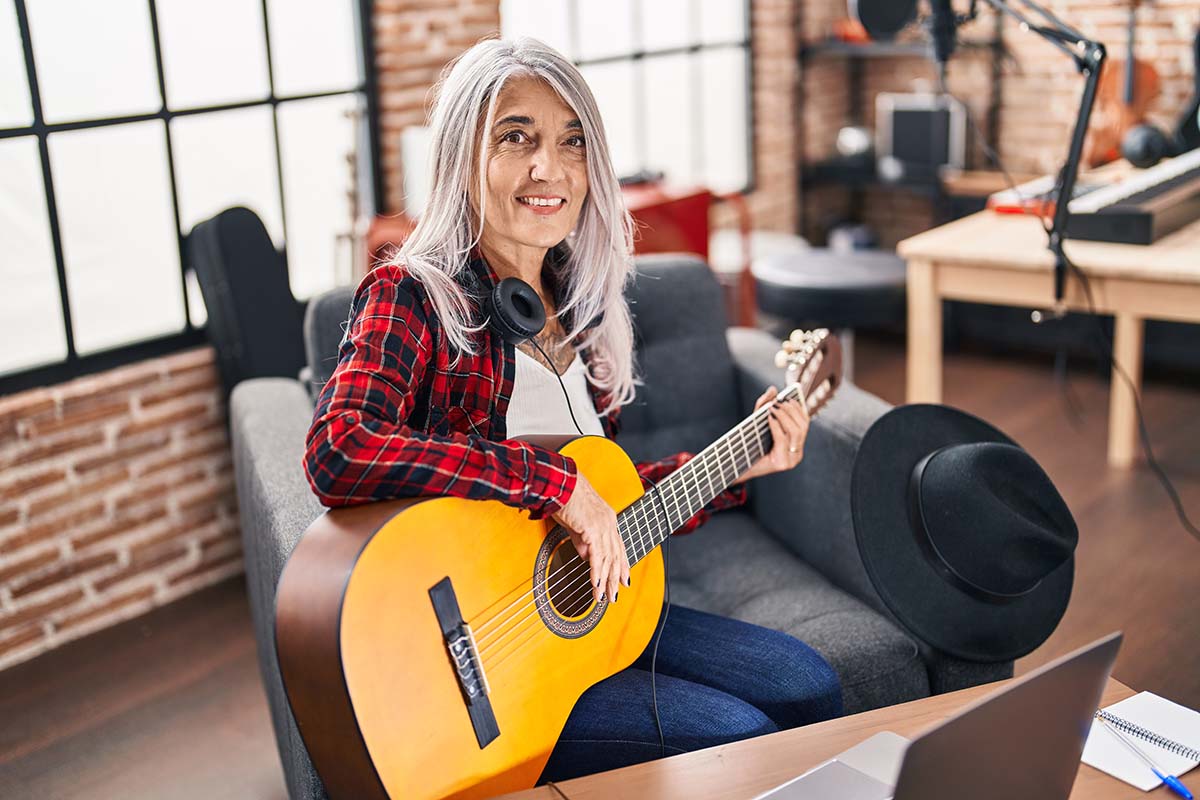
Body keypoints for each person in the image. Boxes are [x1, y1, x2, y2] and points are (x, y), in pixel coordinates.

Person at [303, 35, 842, 784]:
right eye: (515, 137)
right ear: (463, 156)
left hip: (590, 622)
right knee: (741, 736)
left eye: (571, 142)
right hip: (485, 674)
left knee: (811, 686)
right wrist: (552, 485)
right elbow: (339, 447)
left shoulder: (584, 314)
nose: (547, 168)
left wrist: (745, 459)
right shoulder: (411, 296)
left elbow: (606, 503)